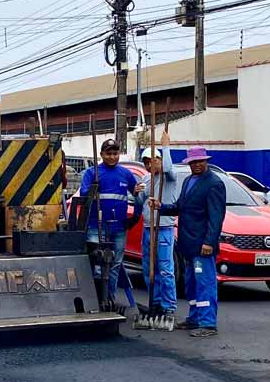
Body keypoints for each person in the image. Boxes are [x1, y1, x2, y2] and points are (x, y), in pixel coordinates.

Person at [152, 146, 226, 338]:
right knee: (191, 284)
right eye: (193, 162)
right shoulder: (188, 181)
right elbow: (181, 207)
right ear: (189, 163)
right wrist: (162, 207)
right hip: (187, 243)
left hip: (202, 246)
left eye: (200, 161)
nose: (197, 165)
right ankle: (194, 318)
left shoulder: (214, 184)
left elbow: (216, 218)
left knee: (205, 284)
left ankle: (208, 323)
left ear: (206, 161)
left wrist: (209, 242)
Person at [78, 138, 139, 304]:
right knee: (96, 264)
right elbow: (84, 195)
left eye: (115, 153)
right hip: (95, 227)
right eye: (108, 153)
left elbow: (139, 195)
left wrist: (135, 217)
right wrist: (93, 187)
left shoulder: (125, 174)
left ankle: (109, 300)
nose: (112, 157)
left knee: (114, 265)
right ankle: (95, 301)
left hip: (118, 228)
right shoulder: (92, 173)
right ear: (101, 154)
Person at [134, 129, 179, 328]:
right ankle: (156, 302)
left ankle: (169, 306)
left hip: (163, 228)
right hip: (147, 228)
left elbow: (168, 167)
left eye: (154, 160)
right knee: (148, 267)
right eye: (146, 162)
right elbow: (140, 202)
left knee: (165, 268)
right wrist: (137, 194)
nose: (150, 164)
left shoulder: (169, 177)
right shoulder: (146, 179)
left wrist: (165, 146)